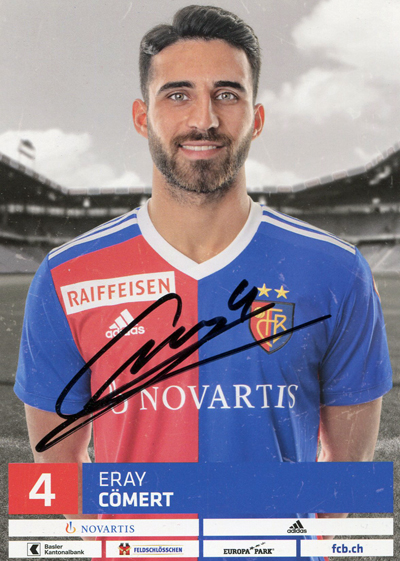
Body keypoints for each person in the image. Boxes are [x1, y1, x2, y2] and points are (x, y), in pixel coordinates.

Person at [14, 5, 392, 561]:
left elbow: (346, 473)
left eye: (227, 94)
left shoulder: (337, 271)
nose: (204, 119)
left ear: (256, 118)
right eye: (177, 94)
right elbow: (57, 465)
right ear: (141, 116)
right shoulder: (67, 276)